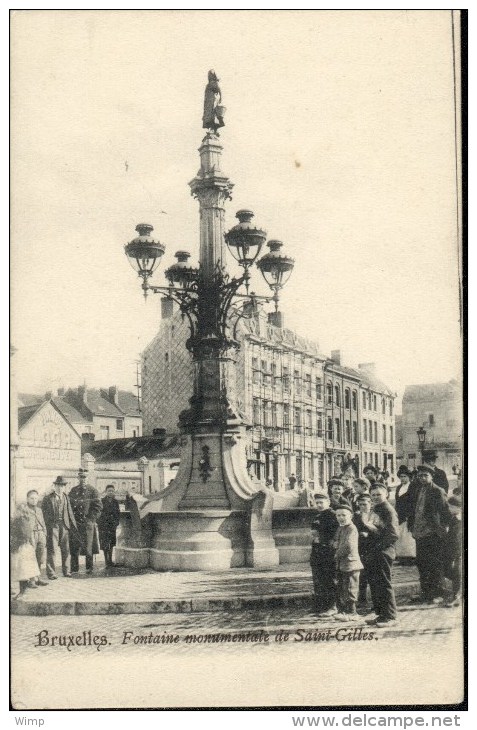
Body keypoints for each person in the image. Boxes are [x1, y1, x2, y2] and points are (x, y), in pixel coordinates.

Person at [407, 464, 450, 604]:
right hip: (420, 533)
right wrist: (412, 527)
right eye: (420, 476)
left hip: (433, 534)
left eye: (425, 475)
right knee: (422, 563)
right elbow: (414, 511)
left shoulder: (438, 491)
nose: (422, 478)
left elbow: (445, 513)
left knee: (435, 564)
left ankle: (438, 594)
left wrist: (442, 530)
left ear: (431, 476)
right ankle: (426, 593)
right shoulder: (418, 490)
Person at [365, 483, 400, 627]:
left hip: (383, 551)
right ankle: (381, 614)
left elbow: (393, 534)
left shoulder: (388, 510)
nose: (375, 497)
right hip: (375, 551)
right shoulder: (376, 508)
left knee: (384, 583)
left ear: (386, 494)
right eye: (373, 495)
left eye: (378, 494)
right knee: (375, 583)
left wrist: (378, 547)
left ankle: (390, 616)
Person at [42, 475, 77, 579]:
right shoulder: (48, 498)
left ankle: (66, 571)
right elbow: (44, 513)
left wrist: (71, 526)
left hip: (64, 526)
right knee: (52, 549)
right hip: (53, 527)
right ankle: (51, 573)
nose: (60, 488)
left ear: (64, 487)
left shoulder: (66, 497)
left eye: (62, 486)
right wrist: (48, 526)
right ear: (55, 486)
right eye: (58, 485)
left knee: (66, 550)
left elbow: (70, 512)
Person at [309, 492, 339, 617]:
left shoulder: (332, 515)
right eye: (317, 503)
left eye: (322, 502)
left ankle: (332, 606)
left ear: (328, 502)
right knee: (318, 579)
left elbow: (335, 533)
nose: (319, 505)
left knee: (329, 579)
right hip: (317, 551)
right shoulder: (318, 515)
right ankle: (320, 605)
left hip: (327, 551)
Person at [333, 504, 363, 622]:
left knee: (351, 587)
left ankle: (352, 612)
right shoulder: (341, 528)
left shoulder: (351, 528)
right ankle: (343, 611)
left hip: (351, 563)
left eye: (344, 515)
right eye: (338, 515)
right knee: (343, 587)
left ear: (350, 516)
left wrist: (337, 553)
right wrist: (334, 544)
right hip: (342, 563)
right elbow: (336, 540)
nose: (341, 518)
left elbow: (348, 546)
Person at [69, 469, 102, 575]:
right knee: (74, 546)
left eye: (85, 477)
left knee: (89, 547)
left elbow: (98, 507)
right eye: (81, 477)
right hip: (75, 523)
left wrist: (91, 519)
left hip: (87, 523)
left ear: (88, 478)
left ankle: (89, 568)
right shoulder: (73, 490)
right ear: (78, 478)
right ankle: (74, 569)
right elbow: (69, 506)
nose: (83, 479)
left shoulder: (93, 490)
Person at [353, 492, 377, 610]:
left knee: (373, 575)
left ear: (370, 504)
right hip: (361, 547)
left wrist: (370, 533)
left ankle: (376, 601)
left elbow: (380, 530)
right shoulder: (356, 516)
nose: (363, 507)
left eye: (365, 504)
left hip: (372, 547)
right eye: (360, 504)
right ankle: (362, 599)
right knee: (362, 575)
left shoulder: (375, 515)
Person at [11, 504, 40, 598]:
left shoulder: (20, 520)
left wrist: (14, 543)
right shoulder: (26, 520)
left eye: (17, 510)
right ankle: (22, 592)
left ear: (20, 511)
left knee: (22, 571)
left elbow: (24, 535)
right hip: (25, 547)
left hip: (21, 548)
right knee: (23, 571)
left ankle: (22, 593)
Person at [24, 489, 49, 587]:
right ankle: (31, 580)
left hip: (41, 534)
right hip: (31, 535)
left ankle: (38, 578)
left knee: (40, 557)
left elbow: (43, 523)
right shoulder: (24, 510)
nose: (34, 500)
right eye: (32, 498)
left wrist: (45, 534)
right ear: (27, 499)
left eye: (36, 498)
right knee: (31, 558)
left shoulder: (39, 510)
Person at [393, 466, 416, 562]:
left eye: (405, 476)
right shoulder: (399, 487)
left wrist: (409, 514)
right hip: (399, 513)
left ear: (409, 477)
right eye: (401, 476)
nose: (403, 479)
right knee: (400, 534)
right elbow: (397, 501)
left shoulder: (412, 487)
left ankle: (410, 556)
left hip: (408, 514)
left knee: (408, 535)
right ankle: (401, 555)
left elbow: (413, 502)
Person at [443, 495, 462, 607]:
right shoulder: (453, 518)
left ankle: (456, 596)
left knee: (457, 571)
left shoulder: (460, 520)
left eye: (450, 507)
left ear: (458, 507)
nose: (449, 509)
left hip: (458, 550)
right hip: (452, 549)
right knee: (451, 571)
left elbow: (457, 538)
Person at [98, 484, 121, 568]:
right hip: (103, 526)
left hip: (112, 526)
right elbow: (98, 513)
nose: (110, 492)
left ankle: (110, 561)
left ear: (114, 492)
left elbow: (118, 514)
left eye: (112, 491)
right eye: (109, 491)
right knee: (105, 544)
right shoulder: (102, 501)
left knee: (111, 543)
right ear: (106, 492)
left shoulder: (115, 502)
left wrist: (116, 522)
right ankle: (106, 561)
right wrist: (100, 523)